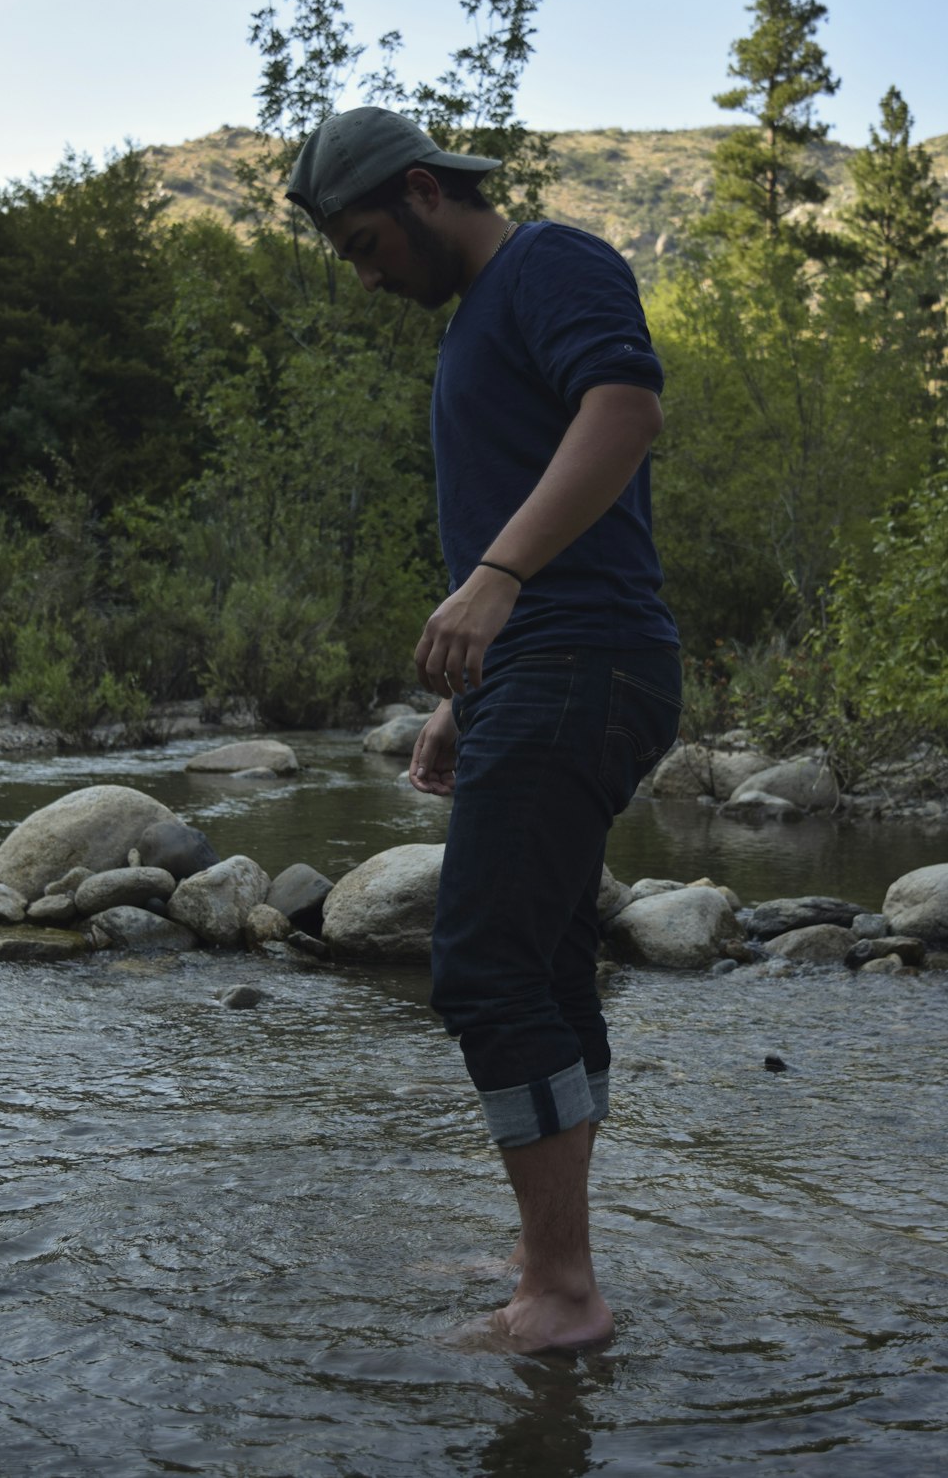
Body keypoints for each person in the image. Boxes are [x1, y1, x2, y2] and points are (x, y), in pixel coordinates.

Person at [287, 108, 681, 1352]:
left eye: (365, 244)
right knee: (550, 962)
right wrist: (471, 686)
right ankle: (547, 1253)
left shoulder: (548, 263)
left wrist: (497, 581)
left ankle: (562, 1295)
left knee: (484, 967)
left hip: (583, 662)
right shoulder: (476, 323)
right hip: (544, 668)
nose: (364, 275)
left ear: (421, 190)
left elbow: (624, 410)